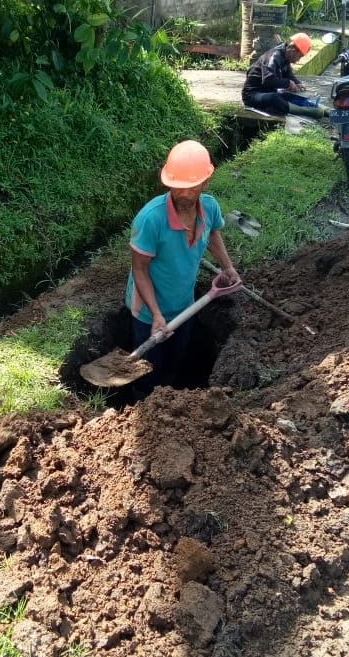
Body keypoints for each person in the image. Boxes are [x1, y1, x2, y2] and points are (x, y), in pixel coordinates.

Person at [125, 139, 240, 397]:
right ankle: (141, 404)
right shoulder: (150, 219)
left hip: (184, 306)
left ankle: (169, 400)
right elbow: (140, 270)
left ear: (205, 182)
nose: (185, 194)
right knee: (147, 372)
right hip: (148, 312)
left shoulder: (209, 207)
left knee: (174, 362)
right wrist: (156, 314)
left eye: (192, 187)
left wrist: (228, 267)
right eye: (178, 187)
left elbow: (212, 235)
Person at [242, 32, 328, 119]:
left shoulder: (285, 56)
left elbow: (288, 74)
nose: (298, 60)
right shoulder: (274, 57)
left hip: (267, 91)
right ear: (293, 51)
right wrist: (288, 83)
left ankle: (325, 110)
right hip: (253, 95)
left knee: (287, 95)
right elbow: (268, 79)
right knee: (274, 98)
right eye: (300, 56)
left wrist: (297, 83)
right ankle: (306, 111)